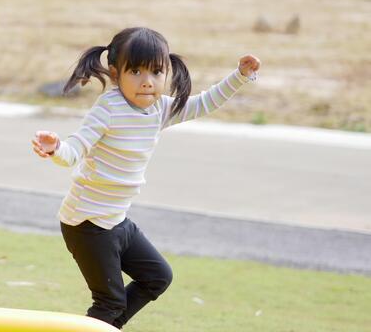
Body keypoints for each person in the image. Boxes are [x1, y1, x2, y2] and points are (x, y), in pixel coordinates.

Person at [31, 27, 260, 329]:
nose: (147, 82)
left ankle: (109, 327)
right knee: (109, 302)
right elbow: (76, 149)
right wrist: (56, 148)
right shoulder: (109, 108)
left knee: (158, 277)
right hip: (87, 224)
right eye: (136, 71)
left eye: (156, 71)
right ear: (115, 74)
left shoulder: (160, 108)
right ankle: (104, 324)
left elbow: (205, 103)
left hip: (116, 220)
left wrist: (240, 75)